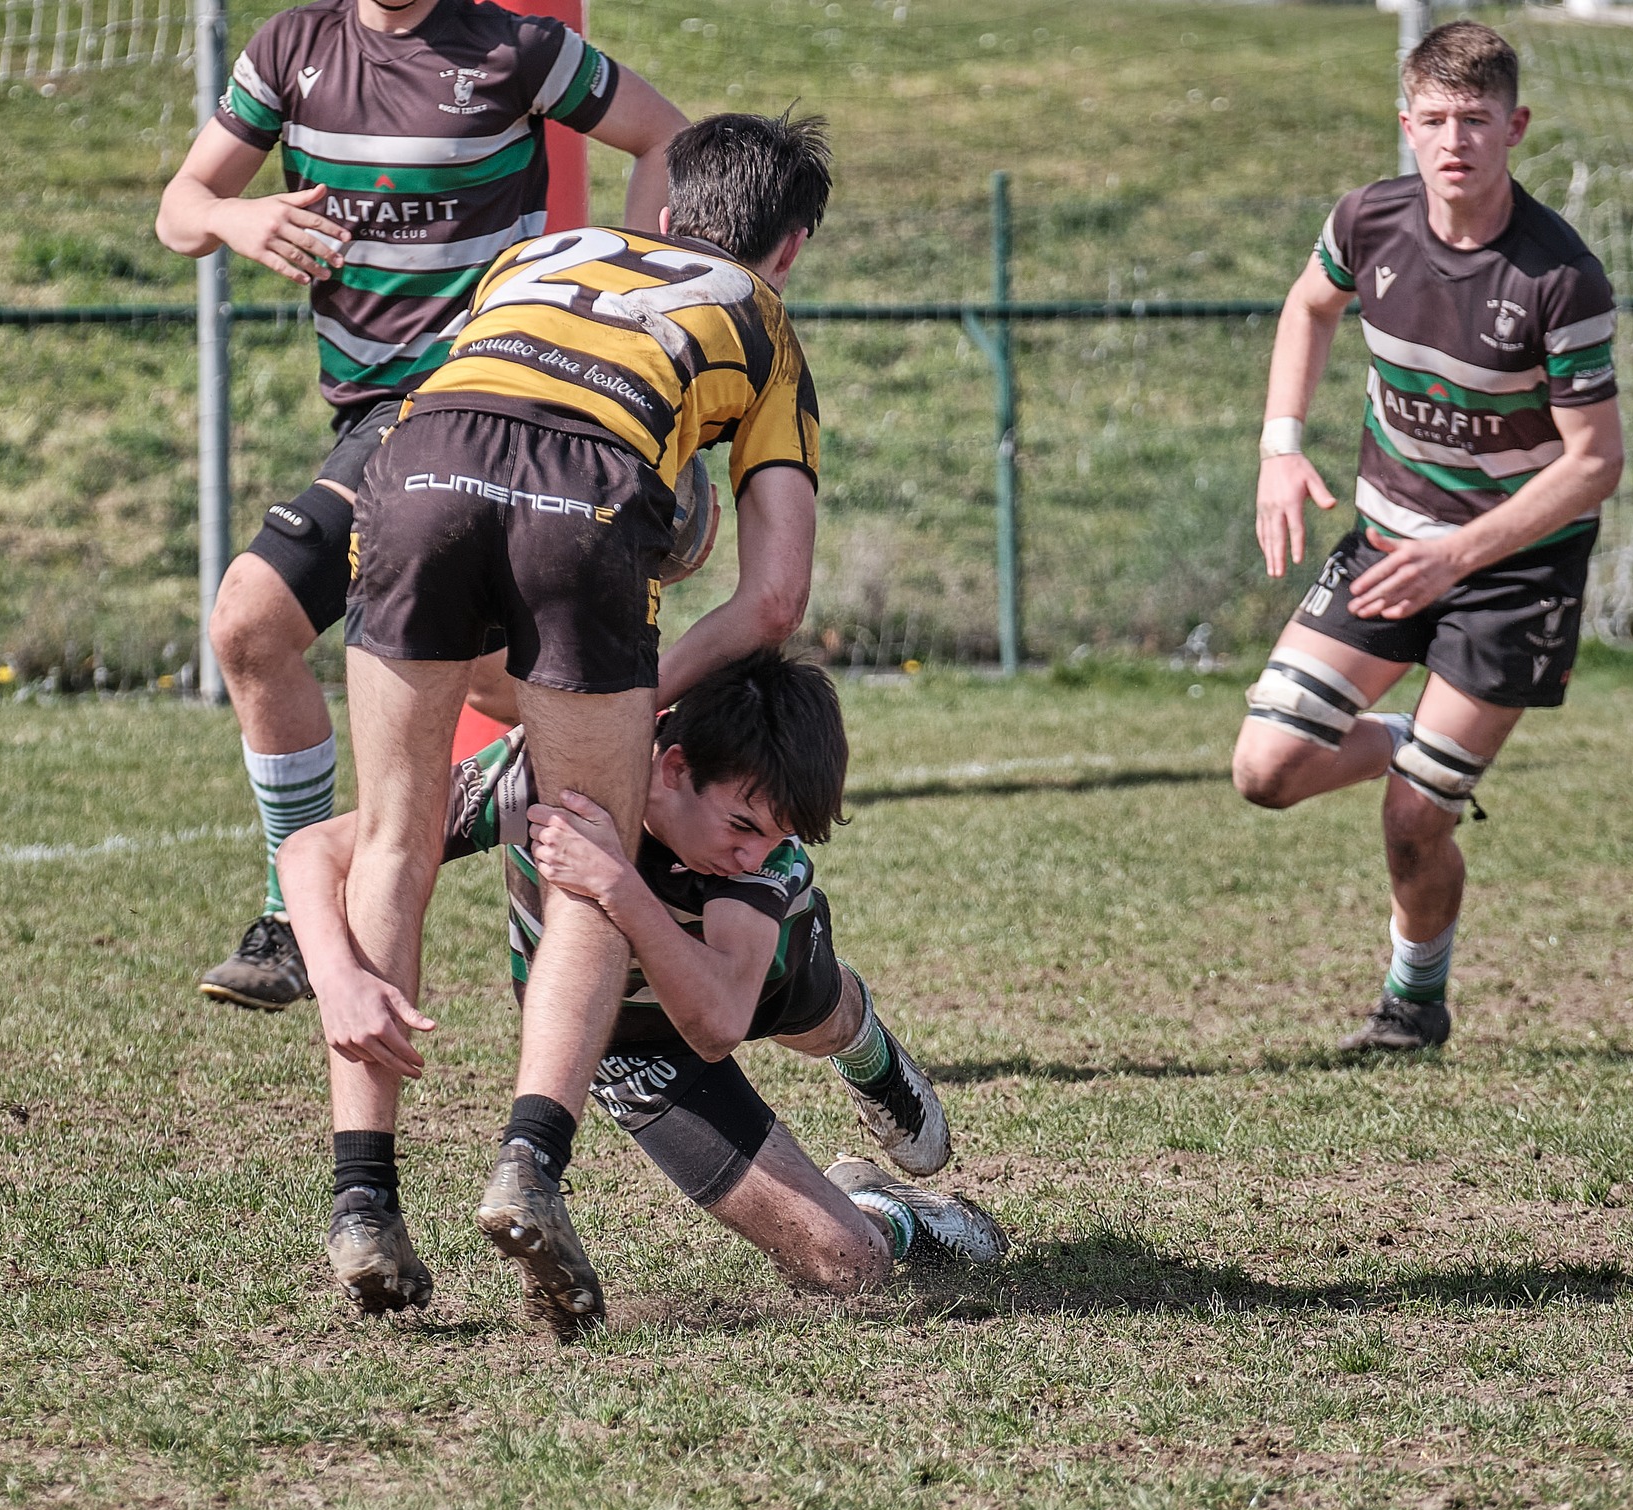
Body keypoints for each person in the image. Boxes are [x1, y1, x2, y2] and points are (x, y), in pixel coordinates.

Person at [330, 112, 832, 1333]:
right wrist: (644, 696)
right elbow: (772, 597)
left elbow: (485, 405)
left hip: (417, 464)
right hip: (586, 493)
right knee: (587, 855)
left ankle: (359, 1198)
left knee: (393, 835)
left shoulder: (540, 257)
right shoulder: (760, 321)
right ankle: (529, 1163)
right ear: (792, 247)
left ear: (664, 214)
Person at [154, 0, 687, 1010]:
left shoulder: (514, 49)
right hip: (370, 418)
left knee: (248, 620)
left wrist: (625, 298)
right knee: (506, 684)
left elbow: (663, 132)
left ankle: (289, 914)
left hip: (463, 401)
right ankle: (687, 802)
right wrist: (236, 216)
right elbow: (179, 205)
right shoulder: (290, 50)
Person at [280, 651, 1006, 1334]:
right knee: (852, 1264)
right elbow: (313, 850)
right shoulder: (552, 770)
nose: (754, 852)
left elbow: (719, 1017)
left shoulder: (760, 860)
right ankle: (889, 1208)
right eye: (743, 825)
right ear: (673, 766)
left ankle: (866, 1048)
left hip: (749, 977)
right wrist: (338, 977)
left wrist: (618, 886)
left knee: (820, 1016)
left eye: (775, 835)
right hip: (630, 1038)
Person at [1234, 21, 1623, 1052]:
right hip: (1387, 540)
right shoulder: (1366, 221)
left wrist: (1457, 554)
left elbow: (1594, 463)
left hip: (1511, 574)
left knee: (1414, 819)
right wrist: (1280, 446)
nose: (1454, 141)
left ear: (1514, 127)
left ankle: (1412, 1003)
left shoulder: (1558, 278)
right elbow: (1307, 306)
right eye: (1435, 120)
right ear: (1405, 124)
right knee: (1263, 769)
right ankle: (1424, 742)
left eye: (1476, 120)